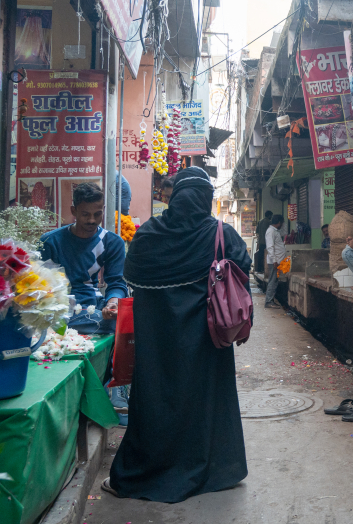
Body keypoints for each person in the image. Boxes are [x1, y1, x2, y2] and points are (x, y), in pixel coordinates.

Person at [105, 166, 251, 503]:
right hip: (206, 343)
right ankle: (214, 470)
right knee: (206, 402)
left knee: (156, 401)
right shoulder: (220, 233)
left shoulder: (149, 234)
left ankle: (148, 472)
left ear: (176, 196)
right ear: (205, 198)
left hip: (158, 346)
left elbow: (132, 274)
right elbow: (244, 265)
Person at [40, 183, 127, 335]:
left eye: (97, 214)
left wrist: (113, 304)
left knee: (125, 323)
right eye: (86, 214)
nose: (92, 220)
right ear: (74, 211)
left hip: (94, 307)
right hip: (59, 309)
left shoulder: (112, 242)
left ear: (104, 210)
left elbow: (117, 283)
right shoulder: (50, 242)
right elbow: (40, 286)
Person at [265, 214, 289, 309]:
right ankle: (269, 301)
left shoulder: (275, 231)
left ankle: (271, 300)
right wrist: (274, 260)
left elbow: (285, 232)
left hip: (277, 261)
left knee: (274, 281)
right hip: (274, 262)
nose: (282, 224)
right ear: (278, 222)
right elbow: (270, 247)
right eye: (282, 222)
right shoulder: (270, 231)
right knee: (272, 281)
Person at [255, 210, 274, 276]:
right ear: (269, 215)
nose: (271, 217)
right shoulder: (269, 222)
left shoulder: (260, 221)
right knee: (267, 256)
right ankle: (266, 270)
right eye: (271, 216)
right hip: (267, 242)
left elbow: (257, 231)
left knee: (260, 256)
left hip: (261, 242)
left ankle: (260, 269)